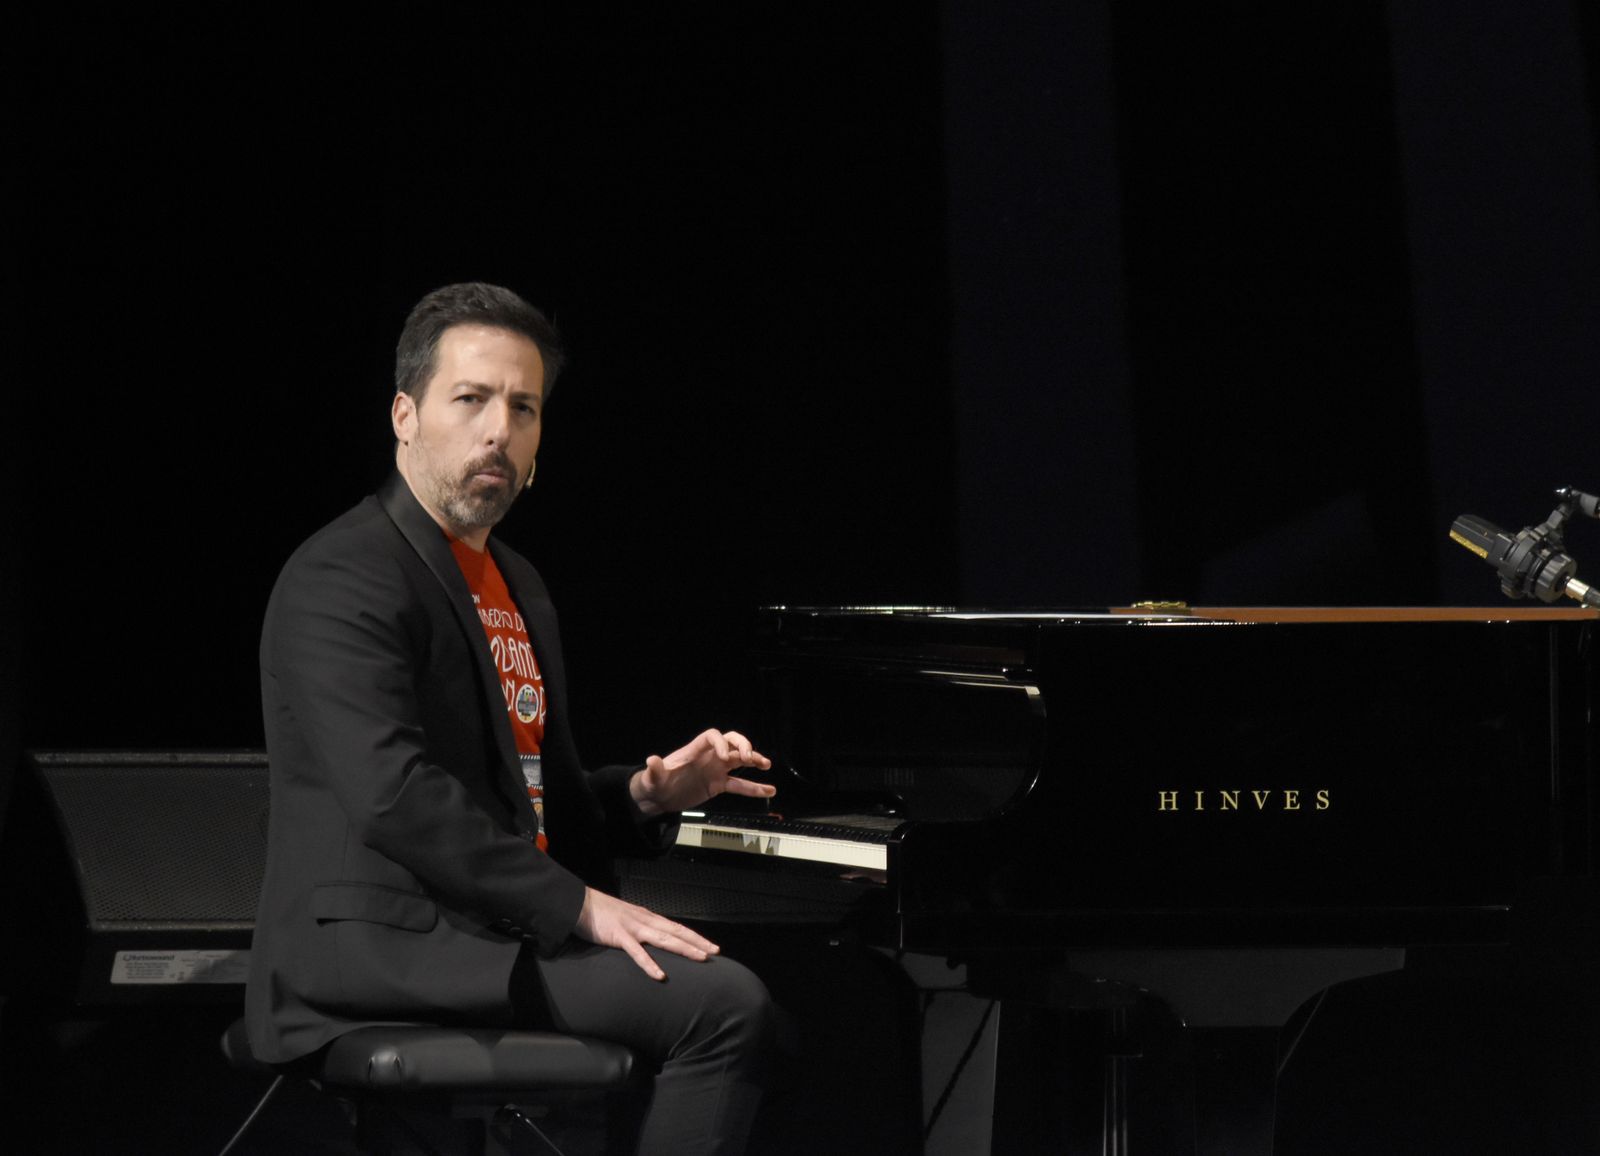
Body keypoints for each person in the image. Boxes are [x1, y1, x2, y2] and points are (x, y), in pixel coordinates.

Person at [245, 281, 777, 1155]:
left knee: (758, 1004)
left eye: (523, 407)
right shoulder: (342, 575)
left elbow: (534, 798)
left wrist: (647, 792)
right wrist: (578, 907)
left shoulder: (515, 583)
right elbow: (394, 795)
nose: (500, 428)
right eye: (472, 399)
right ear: (404, 415)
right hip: (383, 945)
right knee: (724, 1011)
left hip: (486, 928)